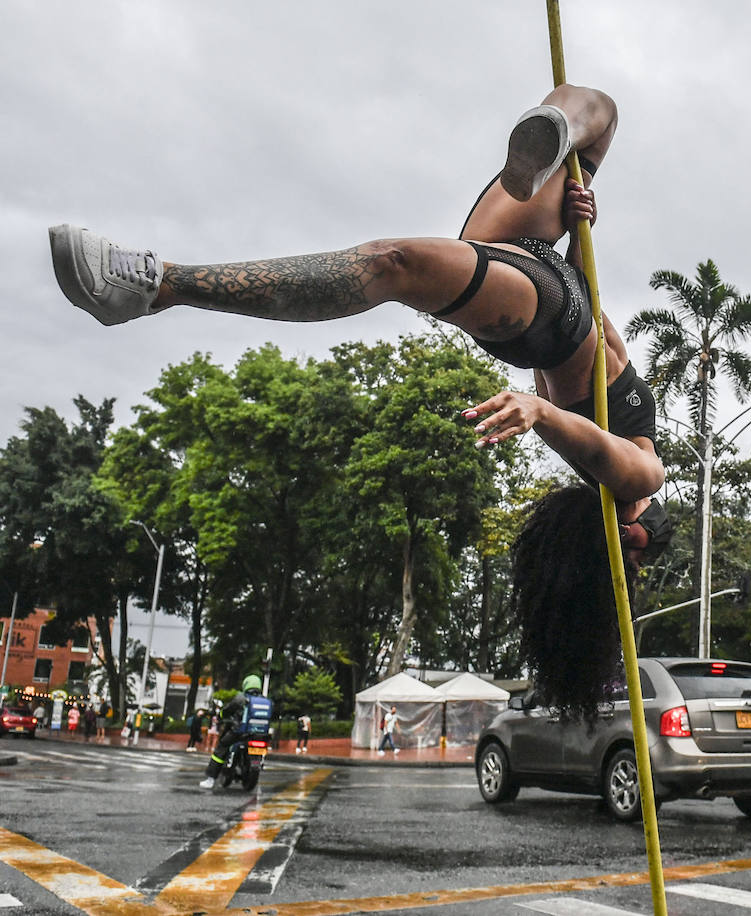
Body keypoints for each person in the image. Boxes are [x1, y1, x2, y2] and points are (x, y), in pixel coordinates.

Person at [49, 84, 670, 720]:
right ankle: (551, 138)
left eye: (639, 550)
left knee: (389, 265)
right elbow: (604, 338)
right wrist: (578, 226)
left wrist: (541, 413)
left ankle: (158, 286)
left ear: (625, 539)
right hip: (554, 273)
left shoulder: (631, 479)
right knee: (596, 112)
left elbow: (596, 440)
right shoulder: (625, 464)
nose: (646, 548)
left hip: (549, 312)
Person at [200, 675, 272, 788]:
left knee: (222, 747)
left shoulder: (241, 698)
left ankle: (211, 779)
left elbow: (228, 710)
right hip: (260, 735)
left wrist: (220, 716)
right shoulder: (265, 700)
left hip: (240, 732)